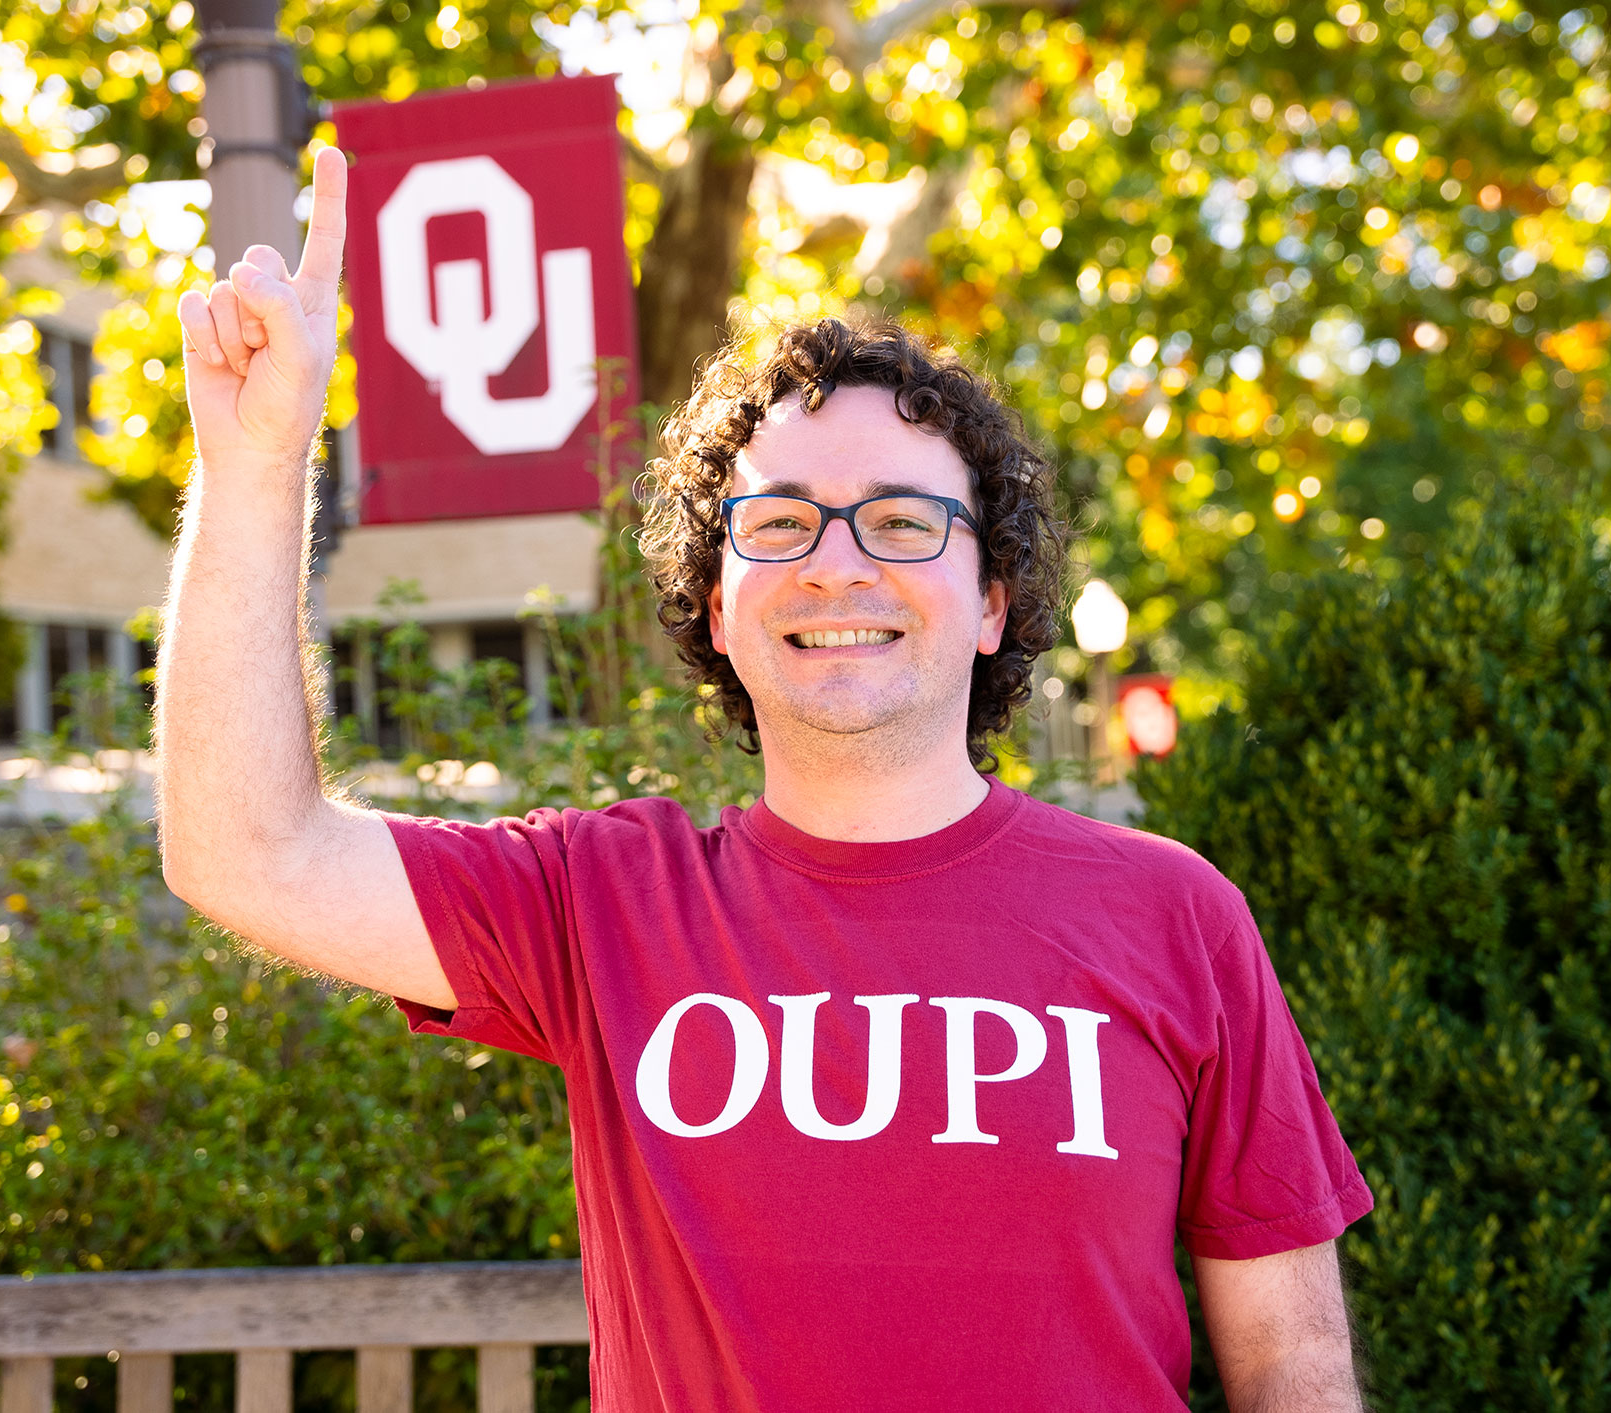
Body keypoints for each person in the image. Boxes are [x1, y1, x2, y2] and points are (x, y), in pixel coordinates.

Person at [159, 145, 1376, 1412]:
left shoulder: (1173, 912)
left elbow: (1290, 1364)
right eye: (780, 523)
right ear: (721, 607)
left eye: (904, 523)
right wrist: (256, 463)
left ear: (990, 605)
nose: (836, 564)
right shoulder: (598, 902)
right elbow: (246, 851)